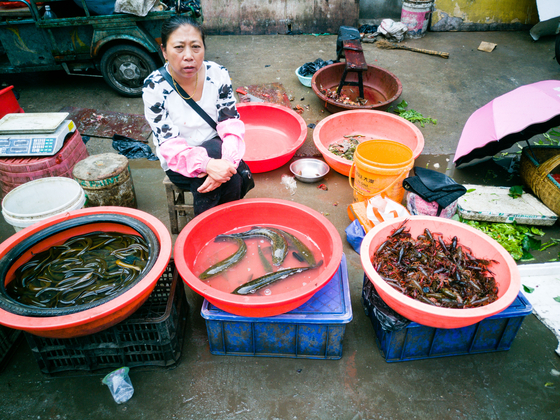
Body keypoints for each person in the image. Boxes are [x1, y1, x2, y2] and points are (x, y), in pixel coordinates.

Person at [143, 15, 248, 216]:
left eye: (196, 47)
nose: (189, 56)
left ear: (204, 49)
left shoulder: (218, 74)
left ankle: (212, 232)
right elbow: (169, 144)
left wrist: (226, 164)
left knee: (229, 174)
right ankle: (217, 229)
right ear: (164, 51)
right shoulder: (154, 87)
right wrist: (209, 165)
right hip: (179, 160)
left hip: (217, 148)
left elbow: (230, 122)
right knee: (215, 179)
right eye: (179, 47)